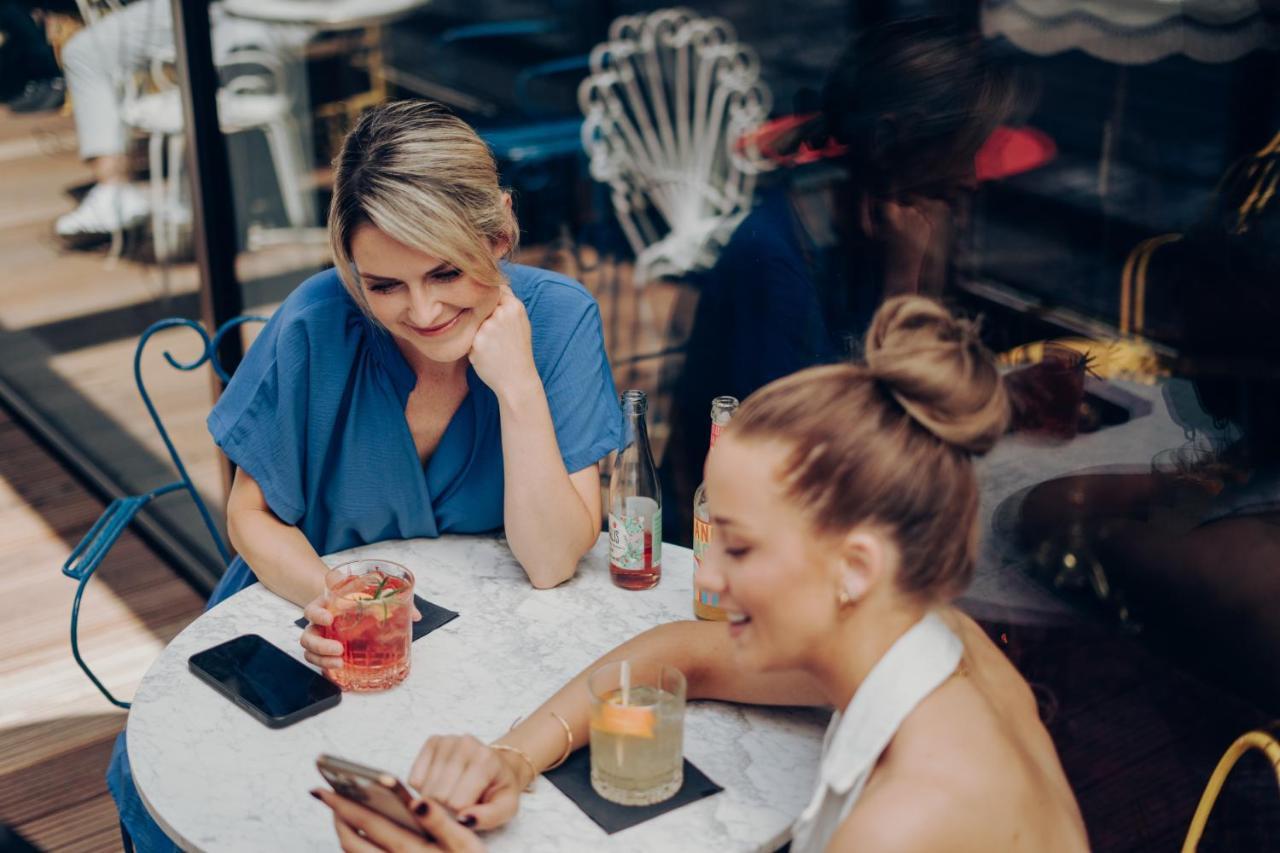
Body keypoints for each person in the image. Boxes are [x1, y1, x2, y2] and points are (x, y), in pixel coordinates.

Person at [314, 297, 1089, 851]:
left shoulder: (909, 821)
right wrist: (515, 756)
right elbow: (678, 650)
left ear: (855, 565)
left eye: (741, 547)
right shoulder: (928, 633)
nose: (707, 573)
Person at [108, 99, 623, 852]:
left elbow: (549, 561)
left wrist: (518, 388)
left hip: (489, 661)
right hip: (311, 638)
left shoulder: (560, 319)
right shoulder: (317, 319)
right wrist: (334, 603)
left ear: (500, 233)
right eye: (384, 284)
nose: (422, 309)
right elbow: (249, 516)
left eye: (447, 271)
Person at [661, 15, 1017, 543]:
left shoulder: (886, 228)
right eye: (962, 149)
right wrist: (905, 285)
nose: (969, 175)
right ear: (893, 137)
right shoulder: (780, 256)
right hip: (735, 540)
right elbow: (831, 447)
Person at [53, 0, 308, 244]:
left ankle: (153, 195)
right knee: (85, 52)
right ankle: (122, 191)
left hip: (245, 14)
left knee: (88, 53)